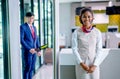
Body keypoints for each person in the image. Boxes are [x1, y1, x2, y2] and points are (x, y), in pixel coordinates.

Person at [72, 7, 106, 79]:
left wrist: (95, 65)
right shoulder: (76, 32)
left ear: (92, 18)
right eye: (84, 17)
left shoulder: (97, 32)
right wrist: (81, 63)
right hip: (81, 64)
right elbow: (74, 49)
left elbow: (99, 49)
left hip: (93, 63)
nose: (86, 19)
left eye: (89, 16)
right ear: (81, 18)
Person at [20, 12, 41, 79]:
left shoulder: (34, 27)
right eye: (30, 18)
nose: (32, 19)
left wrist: (38, 50)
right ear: (27, 18)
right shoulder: (22, 27)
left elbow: (36, 40)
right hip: (27, 51)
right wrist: (29, 49)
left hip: (34, 51)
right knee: (27, 68)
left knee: (32, 68)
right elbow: (21, 40)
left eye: (33, 18)